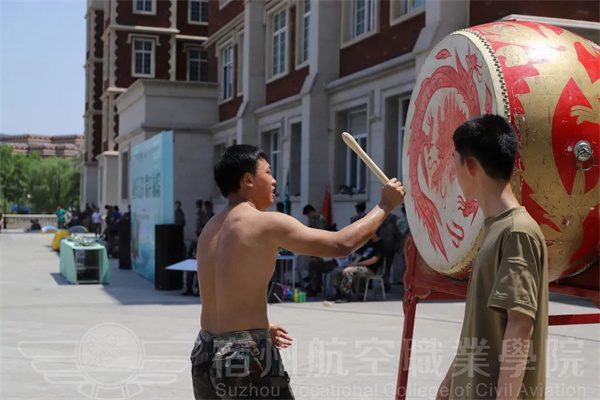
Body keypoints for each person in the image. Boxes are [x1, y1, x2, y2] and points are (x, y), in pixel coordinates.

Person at [191, 144, 404, 399]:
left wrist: (257, 327)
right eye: (267, 172)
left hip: (205, 352)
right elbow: (341, 244)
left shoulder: (210, 228)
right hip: (243, 355)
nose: (274, 180)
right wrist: (385, 205)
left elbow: (226, 290)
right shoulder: (266, 223)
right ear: (248, 179)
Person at [436, 115, 548, 400]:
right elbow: (478, 327)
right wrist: (448, 384)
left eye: (455, 161)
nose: (454, 172)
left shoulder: (517, 231)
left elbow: (520, 325)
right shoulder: (495, 228)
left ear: (471, 165)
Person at [334, 229, 385, 303]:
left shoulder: (380, 245)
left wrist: (357, 264)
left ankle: (346, 296)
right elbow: (361, 255)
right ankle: (338, 294)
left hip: (370, 269)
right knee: (338, 271)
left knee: (347, 271)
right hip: (360, 266)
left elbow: (373, 260)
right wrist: (352, 263)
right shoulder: (369, 244)